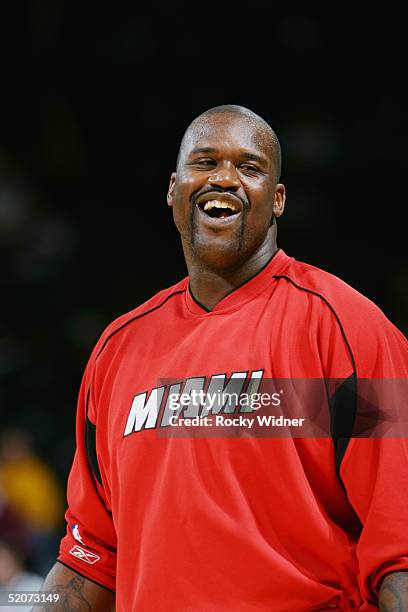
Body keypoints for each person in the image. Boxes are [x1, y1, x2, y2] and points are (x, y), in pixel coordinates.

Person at [34, 105, 408, 611]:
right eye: (205, 162)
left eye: (249, 168)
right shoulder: (117, 351)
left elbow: (400, 549)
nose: (225, 179)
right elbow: (94, 556)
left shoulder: (347, 329)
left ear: (277, 200)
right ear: (173, 188)